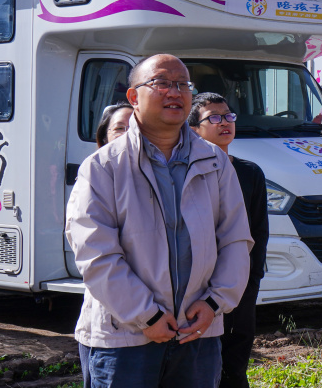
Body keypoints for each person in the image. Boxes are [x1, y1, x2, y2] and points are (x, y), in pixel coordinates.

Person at [66, 54, 252, 388]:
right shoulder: (103, 167)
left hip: (197, 333)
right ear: (133, 97)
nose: (175, 92)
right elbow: (95, 253)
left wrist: (214, 303)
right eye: (162, 83)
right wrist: (147, 315)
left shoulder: (215, 162)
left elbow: (236, 239)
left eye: (183, 85)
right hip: (125, 338)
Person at [189, 92, 269, 388]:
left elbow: (258, 231)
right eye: (214, 117)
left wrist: (252, 277)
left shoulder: (249, 172)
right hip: (197, 285)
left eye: (228, 116)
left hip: (240, 283)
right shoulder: (189, 171)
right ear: (193, 128)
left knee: (236, 360)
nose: (224, 122)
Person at [77, 101, 136, 387]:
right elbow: (97, 255)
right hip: (110, 329)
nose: (128, 134)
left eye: (134, 128)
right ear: (103, 138)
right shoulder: (95, 175)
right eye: (119, 129)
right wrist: (148, 314)